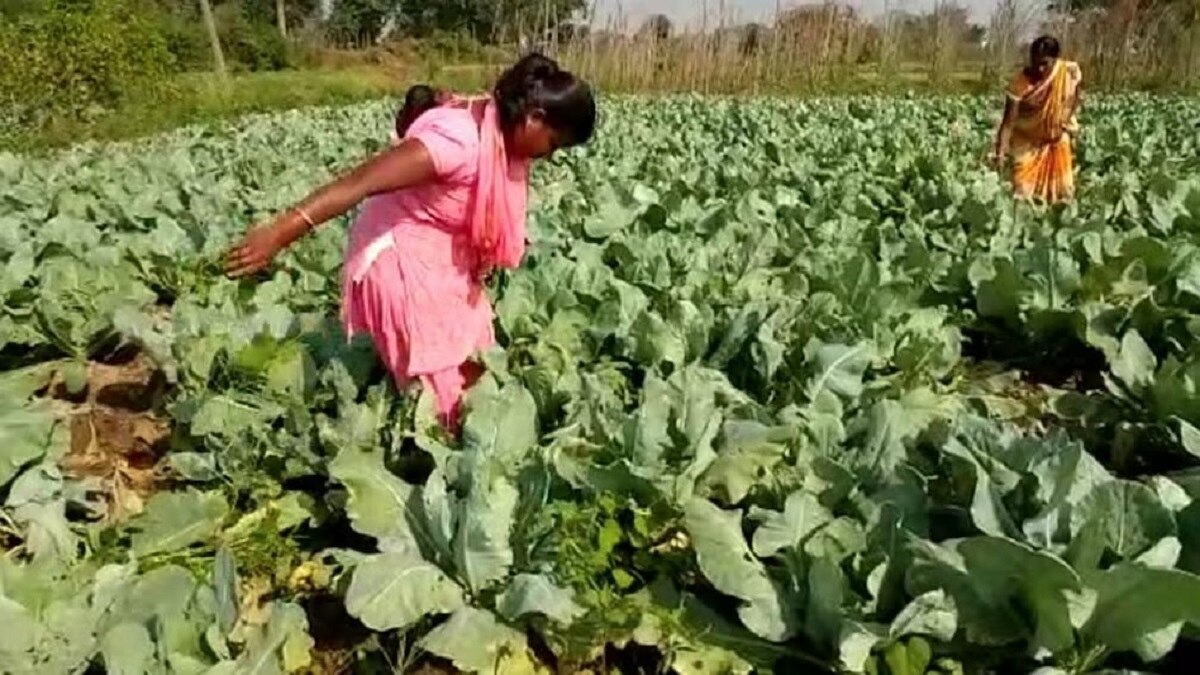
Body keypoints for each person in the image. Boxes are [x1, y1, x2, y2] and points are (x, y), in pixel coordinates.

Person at [226, 54, 597, 428]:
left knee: (479, 368)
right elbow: (359, 183)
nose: (549, 155)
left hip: (442, 258)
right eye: (554, 143)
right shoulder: (458, 143)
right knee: (443, 408)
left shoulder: (496, 125)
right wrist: (280, 231)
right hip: (399, 263)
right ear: (534, 117)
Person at [991, 36, 1083, 203]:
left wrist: (1066, 117)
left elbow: (1075, 95)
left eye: (1045, 63)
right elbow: (1008, 123)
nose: (1040, 69)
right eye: (1036, 62)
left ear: (1055, 60)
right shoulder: (1020, 83)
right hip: (1027, 142)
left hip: (1056, 141)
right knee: (1022, 191)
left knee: (1063, 194)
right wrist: (1000, 153)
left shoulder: (1067, 72)